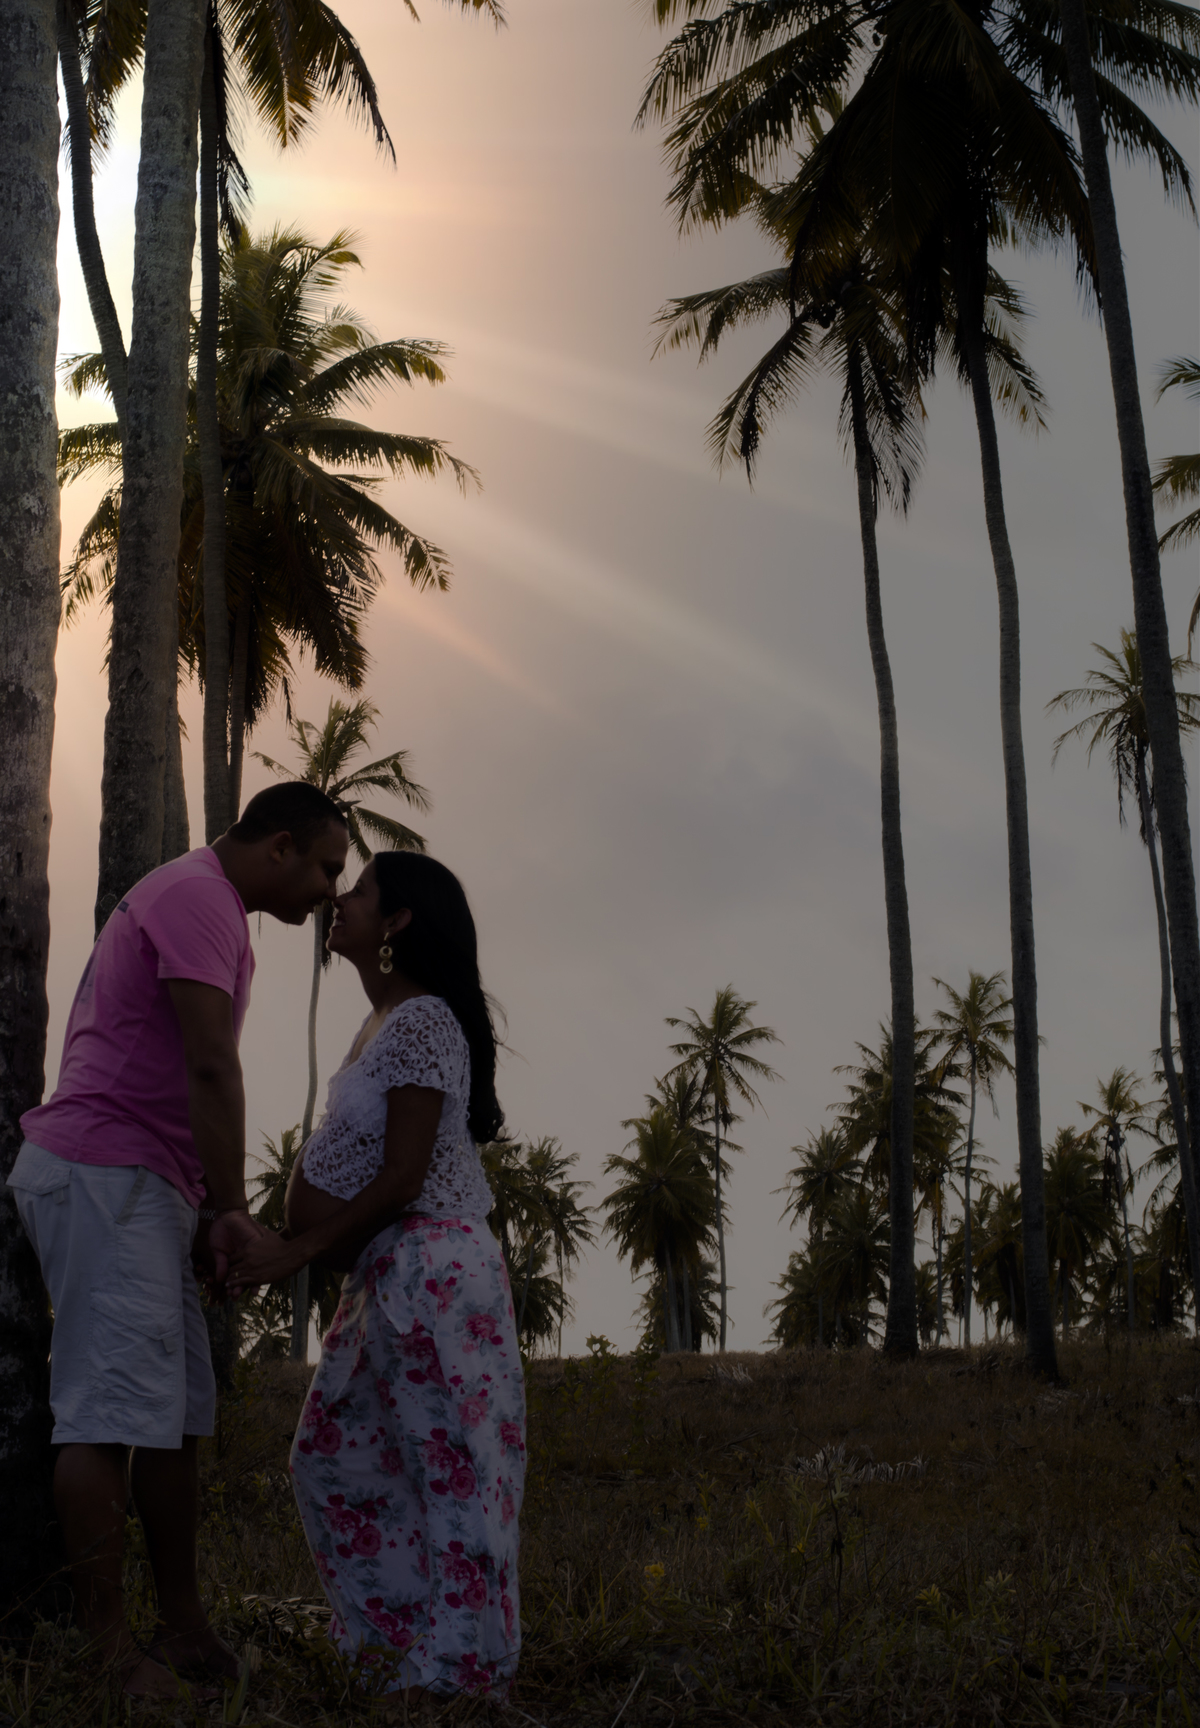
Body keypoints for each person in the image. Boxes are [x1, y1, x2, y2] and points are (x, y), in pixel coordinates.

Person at [6, 783, 350, 1700]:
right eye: (325, 867)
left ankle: (184, 1628)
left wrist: (200, 1211)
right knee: (107, 1413)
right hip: (105, 1174)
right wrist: (233, 1208)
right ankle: (112, 1655)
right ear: (279, 846)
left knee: (176, 1418)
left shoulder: (211, 904)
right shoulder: (199, 897)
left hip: (146, 1187)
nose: (327, 891)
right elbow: (208, 1062)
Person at [228, 851, 525, 1702]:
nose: (338, 902)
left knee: (451, 1468)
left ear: (395, 924)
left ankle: (459, 1672)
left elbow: (402, 1176)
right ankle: (393, 1647)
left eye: (356, 892)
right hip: (388, 1275)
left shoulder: (426, 1021)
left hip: (432, 1267)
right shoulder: (384, 1025)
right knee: (330, 1458)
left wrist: (290, 1254)